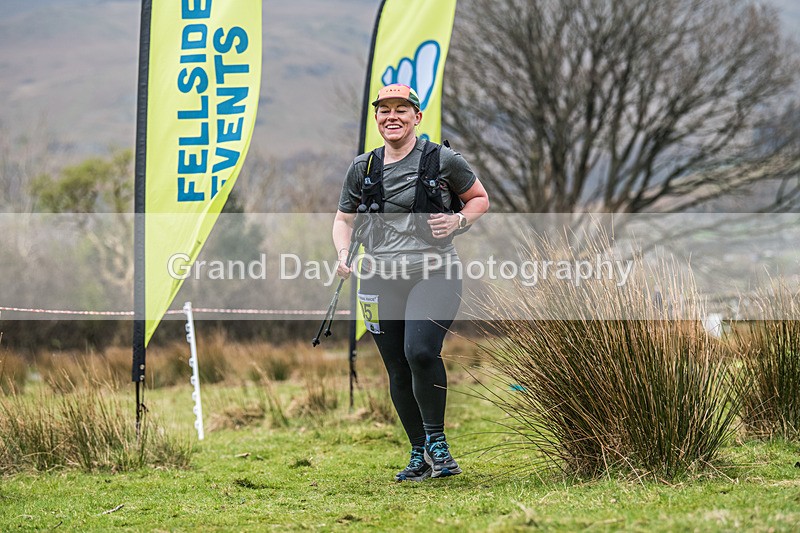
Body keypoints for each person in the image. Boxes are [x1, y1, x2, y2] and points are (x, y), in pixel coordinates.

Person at [332, 83, 490, 481]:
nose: (392, 117)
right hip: (378, 278)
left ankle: (438, 444)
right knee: (397, 367)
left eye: (402, 109)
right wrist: (341, 253)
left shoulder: (443, 159)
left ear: (417, 117)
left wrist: (457, 220)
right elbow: (343, 219)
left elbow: (479, 198)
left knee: (420, 351)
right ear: (377, 118)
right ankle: (419, 453)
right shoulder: (363, 168)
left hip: (434, 273)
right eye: (384, 110)